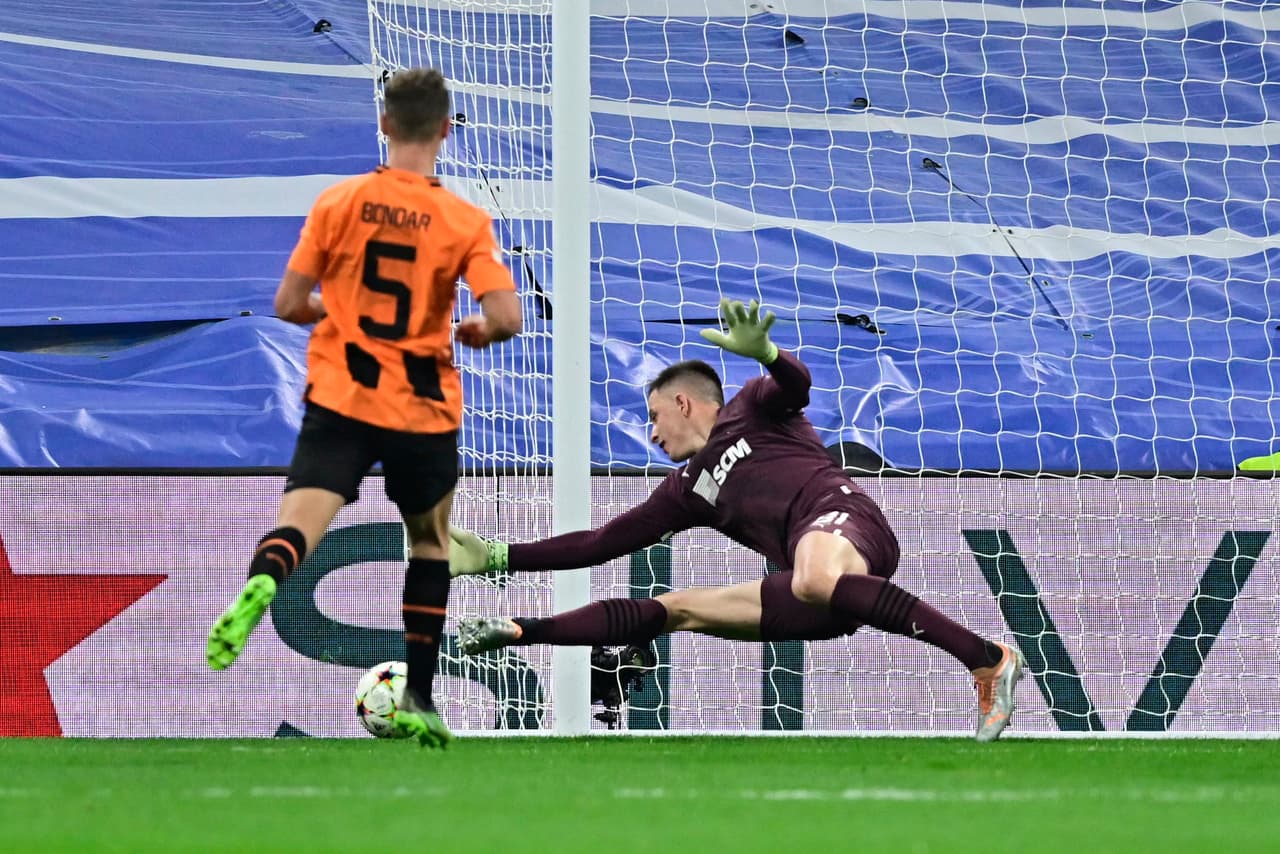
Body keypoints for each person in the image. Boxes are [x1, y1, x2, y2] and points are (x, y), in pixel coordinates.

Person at [450, 298, 1025, 741]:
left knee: (811, 576)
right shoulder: (684, 491)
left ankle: (986, 658)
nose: (651, 433)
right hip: (820, 587)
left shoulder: (752, 406)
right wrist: (500, 556)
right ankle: (523, 630)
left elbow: (797, 384)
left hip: (843, 521)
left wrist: (769, 355)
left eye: (653, 416)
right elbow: (602, 542)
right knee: (677, 610)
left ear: (683, 403)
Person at [206, 67, 522, 748]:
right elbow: (507, 314)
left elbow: (289, 304)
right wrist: (477, 330)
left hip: (343, 394)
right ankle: (420, 691)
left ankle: (266, 580)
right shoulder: (464, 219)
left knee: (300, 523)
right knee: (431, 543)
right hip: (422, 405)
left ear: (384, 125)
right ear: (444, 131)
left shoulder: (338, 202)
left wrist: (338, 311)